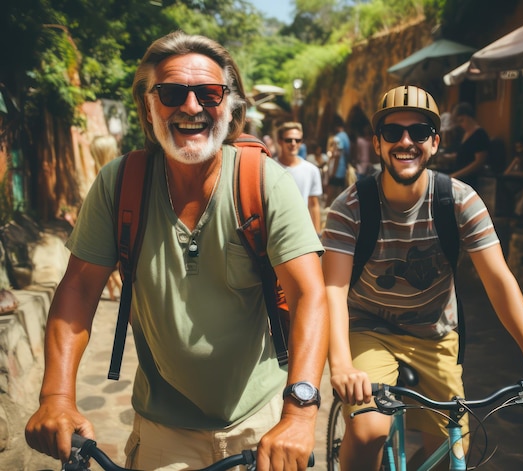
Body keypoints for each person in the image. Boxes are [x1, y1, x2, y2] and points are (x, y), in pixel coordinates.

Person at [25, 31, 329, 471]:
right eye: (171, 93)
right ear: (148, 109)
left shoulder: (264, 182)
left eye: (209, 93)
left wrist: (300, 414)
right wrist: (55, 396)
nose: (191, 107)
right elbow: (78, 291)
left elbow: (309, 295)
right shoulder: (119, 185)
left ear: (230, 107)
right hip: (162, 427)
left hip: (260, 420)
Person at [321, 85, 523, 471]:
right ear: (378, 143)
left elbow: (498, 279)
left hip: (436, 333)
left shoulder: (459, 200)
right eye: (392, 133)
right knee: (369, 431)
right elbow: (332, 291)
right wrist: (341, 366)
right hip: (369, 327)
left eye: (419, 132)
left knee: (455, 450)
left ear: (434, 143)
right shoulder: (349, 207)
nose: (406, 142)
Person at [88, 134, 123, 301]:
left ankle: (129, 300)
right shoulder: (125, 172)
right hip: (123, 231)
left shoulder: (103, 177)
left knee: (113, 271)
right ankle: (113, 295)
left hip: (109, 234)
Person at [276, 122, 324, 234]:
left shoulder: (312, 170)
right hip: (275, 230)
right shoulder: (269, 168)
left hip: (301, 231)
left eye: (297, 140)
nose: (293, 144)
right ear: (280, 141)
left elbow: (313, 204)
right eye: (288, 140)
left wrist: (317, 235)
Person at [449, 102, 490, 189]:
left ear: (468, 117)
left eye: (461, 120)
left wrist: (456, 175)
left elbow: (479, 162)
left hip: (470, 180)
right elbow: (465, 154)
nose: (460, 124)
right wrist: (449, 157)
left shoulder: (480, 135)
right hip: (460, 178)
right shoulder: (464, 134)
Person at [326, 115, 351, 205]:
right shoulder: (346, 137)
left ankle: (327, 207)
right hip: (343, 168)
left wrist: (333, 172)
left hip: (337, 169)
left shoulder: (338, 138)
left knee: (331, 191)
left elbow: (337, 156)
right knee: (341, 193)